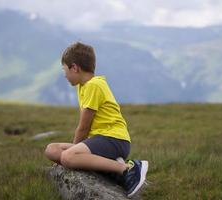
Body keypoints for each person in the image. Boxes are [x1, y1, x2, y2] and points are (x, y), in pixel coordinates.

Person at [44, 42, 148, 197]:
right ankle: (110, 167)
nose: (64, 74)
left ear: (75, 68)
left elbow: (83, 127)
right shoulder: (83, 86)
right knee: (52, 150)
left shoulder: (94, 86)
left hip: (114, 139)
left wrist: (73, 153)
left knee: (67, 156)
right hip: (100, 140)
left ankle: (128, 169)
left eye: (64, 69)